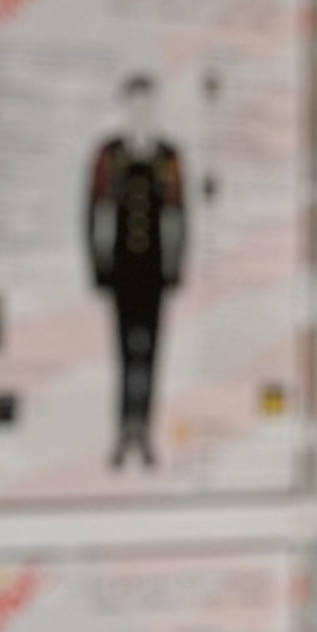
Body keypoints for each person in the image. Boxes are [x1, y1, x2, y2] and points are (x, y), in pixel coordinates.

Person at [84, 72, 187, 468]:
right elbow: (97, 211)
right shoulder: (109, 155)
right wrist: (100, 266)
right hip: (122, 269)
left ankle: (144, 432)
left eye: (148, 104)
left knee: (152, 354)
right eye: (135, 104)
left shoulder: (168, 156)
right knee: (125, 352)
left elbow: (178, 214)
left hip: (156, 269)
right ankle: (122, 431)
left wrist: (175, 267)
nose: (141, 112)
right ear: (126, 106)